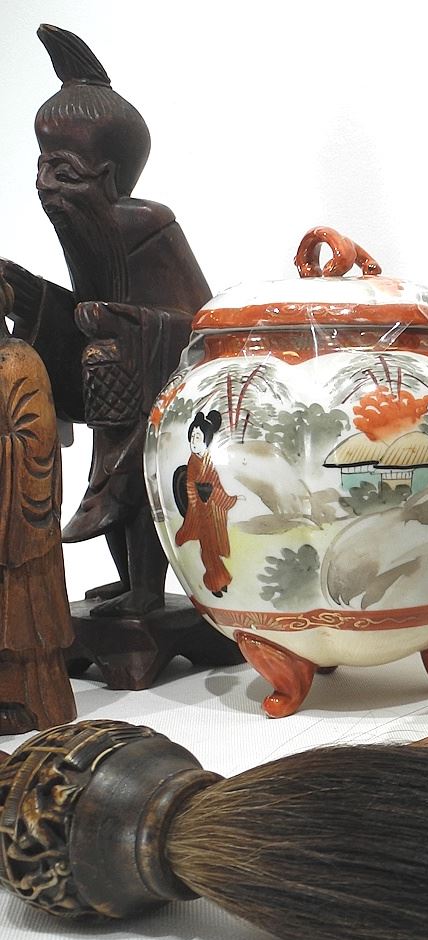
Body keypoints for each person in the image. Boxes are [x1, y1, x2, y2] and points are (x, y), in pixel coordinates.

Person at [0, 25, 211, 617]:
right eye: (41, 168)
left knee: (138, 488)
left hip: (152, 386)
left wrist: (126, 321)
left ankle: (147, 590)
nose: (45, 187)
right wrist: (29, 295)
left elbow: (199, 320)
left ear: (110, 178)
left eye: (64, 173)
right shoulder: (80, 222)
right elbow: (80, 311)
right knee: (105, 484)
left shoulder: (149, 223)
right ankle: (127, 581)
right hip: (113, 382)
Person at [0, 277, 75, 734]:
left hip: (17, 523)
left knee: (23, 617)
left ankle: (28, 697)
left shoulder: (19, 361)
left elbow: (36, 441)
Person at [174, 411, 238, 598]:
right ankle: (215, 584)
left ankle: (220, 581)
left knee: (212, 551)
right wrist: (200, 501)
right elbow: (190, 486)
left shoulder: (209, 460)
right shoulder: (193, 462)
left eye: (198, 437)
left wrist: (229, 499)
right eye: (192, 437)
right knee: (208, 552)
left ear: (207, 440)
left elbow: (217, 486)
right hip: (201, 513)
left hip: (212, 512)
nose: (194, 442)